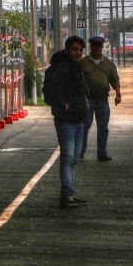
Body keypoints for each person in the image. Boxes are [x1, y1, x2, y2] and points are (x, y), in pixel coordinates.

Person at [49, 36, 89, 207]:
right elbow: (52, 89)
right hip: (66, 120)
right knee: (68, 156)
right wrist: (61, 105)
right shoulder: (60, 67)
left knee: (74, 158)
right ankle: (67, 194)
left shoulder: (76, 67)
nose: (78, 53)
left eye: (80, 50)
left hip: (79, 118)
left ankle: (69, 192)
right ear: (67, 50)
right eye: (74, 49)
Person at [79, 36, 121, 161]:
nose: (96, 48)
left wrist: (118, 95)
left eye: (98, 46)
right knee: (84, 126)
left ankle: (102, 153)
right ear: (90, 47)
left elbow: (115, 80)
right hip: (86, 100)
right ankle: (80, 152)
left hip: (102, 100)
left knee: (103, 128)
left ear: (102, 48)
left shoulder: (108, 64)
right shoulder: (83, 63)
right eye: (94, 46)